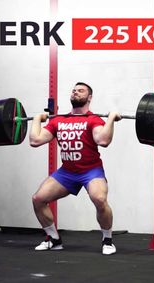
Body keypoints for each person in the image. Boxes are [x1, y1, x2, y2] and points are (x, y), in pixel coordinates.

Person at [29, 82, 122, 255]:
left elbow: (103, 141)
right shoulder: (59, 120)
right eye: (74, 90)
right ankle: (54, 240)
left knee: (99, 199)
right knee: (38, 199)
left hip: (91, 171)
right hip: (67, 172)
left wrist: (110, 119)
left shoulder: (93, 119)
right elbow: (35, 141)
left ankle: (107, 240)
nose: (76, 93)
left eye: (81, 91)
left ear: (89, 97)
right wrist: (36, 119)